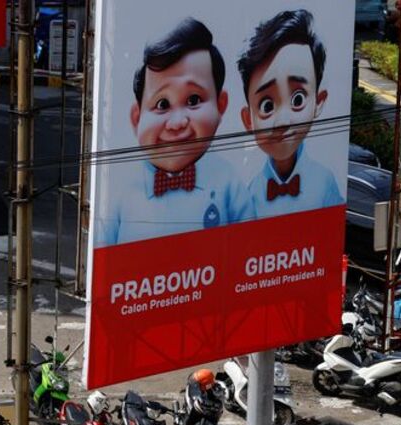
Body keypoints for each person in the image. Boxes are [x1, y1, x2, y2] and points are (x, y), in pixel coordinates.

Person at [95, 18, 255, 247]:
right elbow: (103, 259)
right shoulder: (120, 193)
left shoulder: (228, 182)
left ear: (221, 106)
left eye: (193, 100)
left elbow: (249, 245)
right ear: (137, 119)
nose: (178, 122)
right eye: (162, 104)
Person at [237, 9, 343, 219]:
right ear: (248, 119)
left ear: (318, 102)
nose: (283, 121)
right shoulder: (250, 194)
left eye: (297, 100)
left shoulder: (325, 182)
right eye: (267, 106)